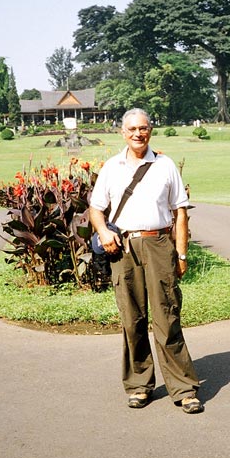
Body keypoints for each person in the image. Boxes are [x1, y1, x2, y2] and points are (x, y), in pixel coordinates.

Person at [89, 107, 203, 414]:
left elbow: (180, 211)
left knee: (167, 316)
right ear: (122, 133)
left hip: (158, 244)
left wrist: (181, 253)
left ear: (150, 130)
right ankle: (139, 384)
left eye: (144, 128)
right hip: (124, 248)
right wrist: (103, 232)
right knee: (132, 319)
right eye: (133, 129)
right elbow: (96, 208)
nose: (139, 134)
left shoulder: (165, 165)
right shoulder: (112, 167)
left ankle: (183, 388)